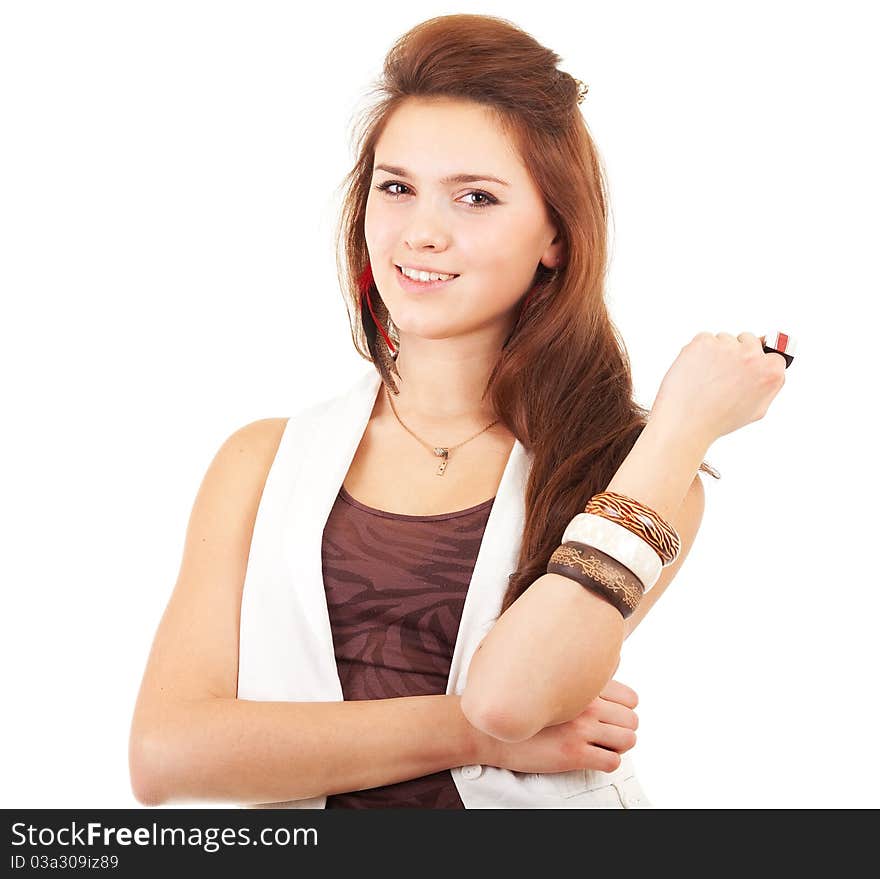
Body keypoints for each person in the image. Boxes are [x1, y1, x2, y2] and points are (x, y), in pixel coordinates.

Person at [129, 13, 788, 809]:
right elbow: (167, 756)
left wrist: (681, 424)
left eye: (476, 197)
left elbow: (512, 693)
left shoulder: (637, 474)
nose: (422, 233)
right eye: (396, 187)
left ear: (556, 234)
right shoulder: (262, 460)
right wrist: (472, 735)